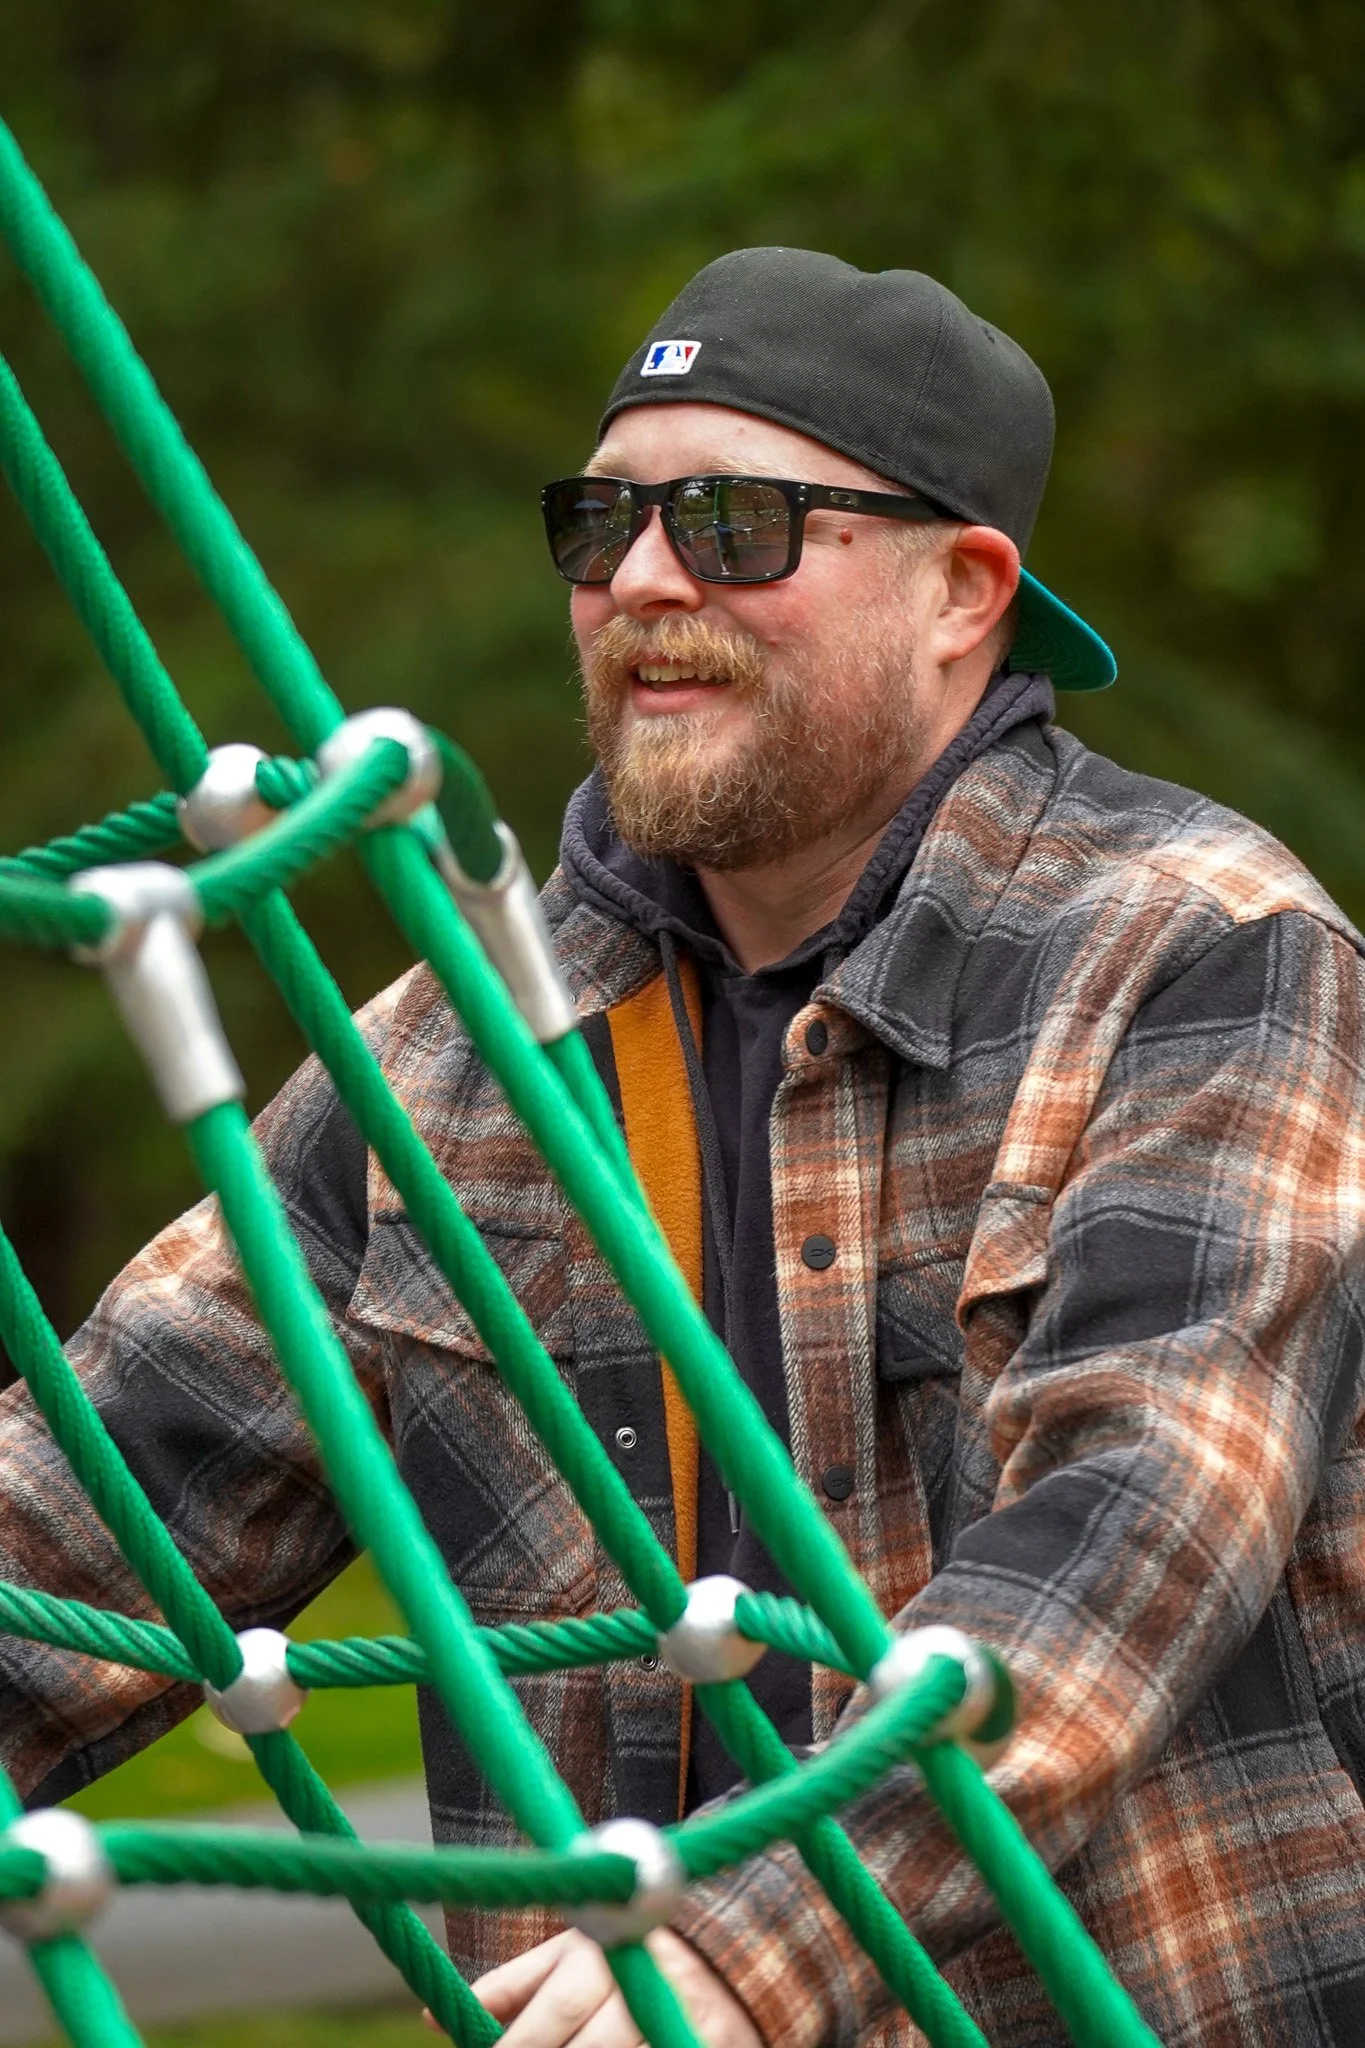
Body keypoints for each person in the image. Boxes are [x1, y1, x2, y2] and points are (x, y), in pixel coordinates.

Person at [2, 248, 1364, 2047]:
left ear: (963, 594)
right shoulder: (463, 1048)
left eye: (734, 524)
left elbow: (1140, 1524)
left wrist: (741, 1942)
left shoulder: (1205, 951)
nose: (643, 580)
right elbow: (92, 1503)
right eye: (602, 524)